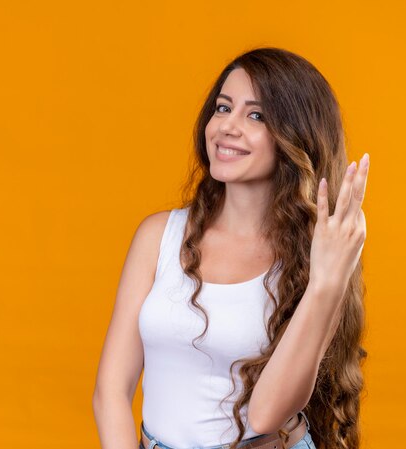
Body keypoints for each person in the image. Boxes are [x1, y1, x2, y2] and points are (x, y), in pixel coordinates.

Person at [93, 47, 369, 449]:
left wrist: (327, 281)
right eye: (223, 108)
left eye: (256, 116)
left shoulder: (318, 257)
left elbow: (266, 414)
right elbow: (111, 392)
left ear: (295, 136)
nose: (227, 127)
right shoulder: (158, 236)